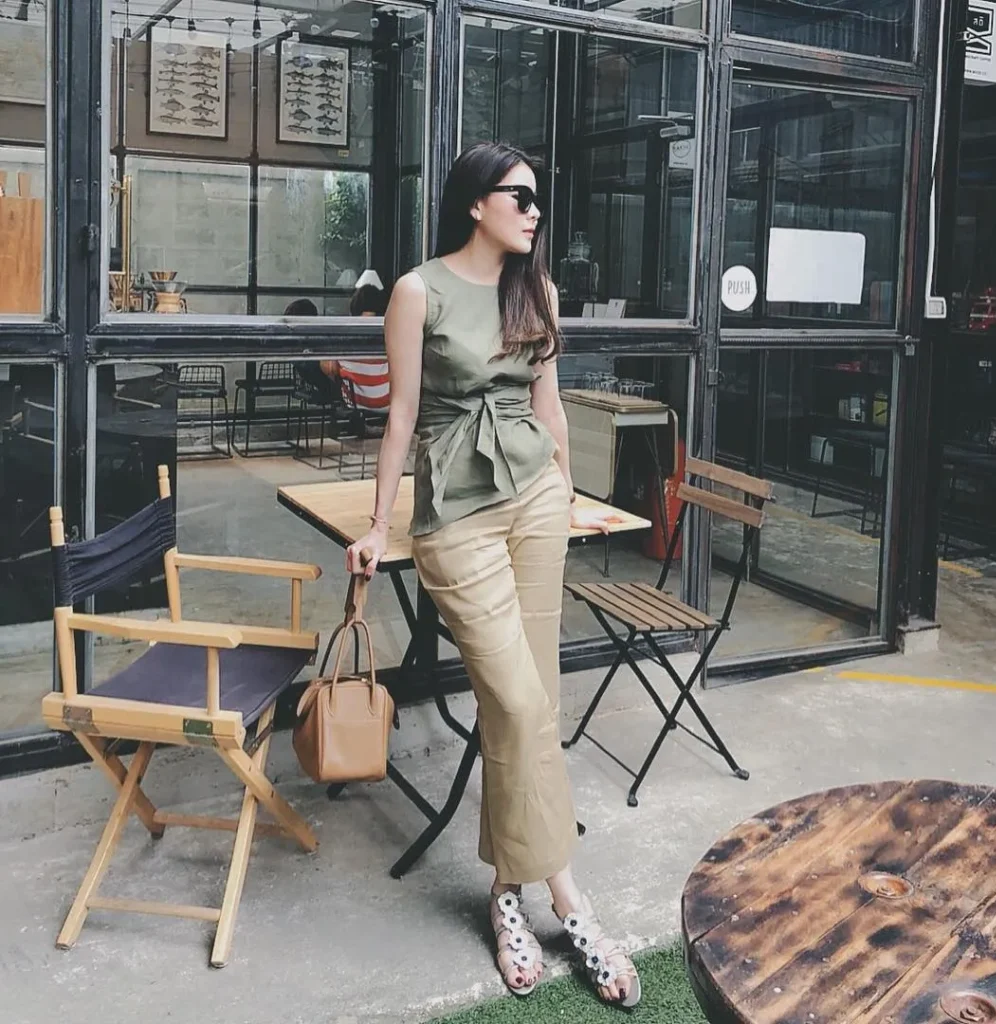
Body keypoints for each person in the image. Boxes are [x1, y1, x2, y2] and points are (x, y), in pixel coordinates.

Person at [346, 142, 641, 1008]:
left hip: (537, 506)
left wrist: (570, 489)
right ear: (475, 202)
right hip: (458, 518)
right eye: (520, 196)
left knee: (536, 697)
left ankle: (506, 893)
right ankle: (568, 898)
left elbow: (548, 407)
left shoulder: (537, 292)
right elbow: (398, 417)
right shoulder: (417, 290)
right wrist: (375, 524)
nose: (535, 210)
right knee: (515, 701)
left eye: (539, 199)